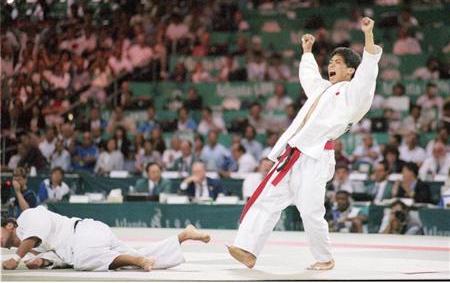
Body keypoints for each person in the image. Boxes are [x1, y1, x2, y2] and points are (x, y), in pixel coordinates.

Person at [228, 17, 382, 270]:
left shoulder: (354, 95)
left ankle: (325, 258)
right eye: (330, 62)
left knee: (310, 212)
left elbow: (368, 71)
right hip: (293, 155)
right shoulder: (322, 89)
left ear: (351, 70)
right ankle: (247, 249)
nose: (331, 65)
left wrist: (368, 34)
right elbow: (308, 76)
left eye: (337, 63)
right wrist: (308, 53)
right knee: (267, 199)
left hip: (315, 157)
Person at [1, 206, 211, 271]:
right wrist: (44, 261)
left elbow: (36, 233)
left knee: (83, 261)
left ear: (9, 225)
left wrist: (17, 259)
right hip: (87, 240)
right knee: (142, 256)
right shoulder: (30, 246)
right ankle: (184, 235)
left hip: (84, 233)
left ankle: (137, 261)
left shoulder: (27, 217)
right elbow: (61, 255)